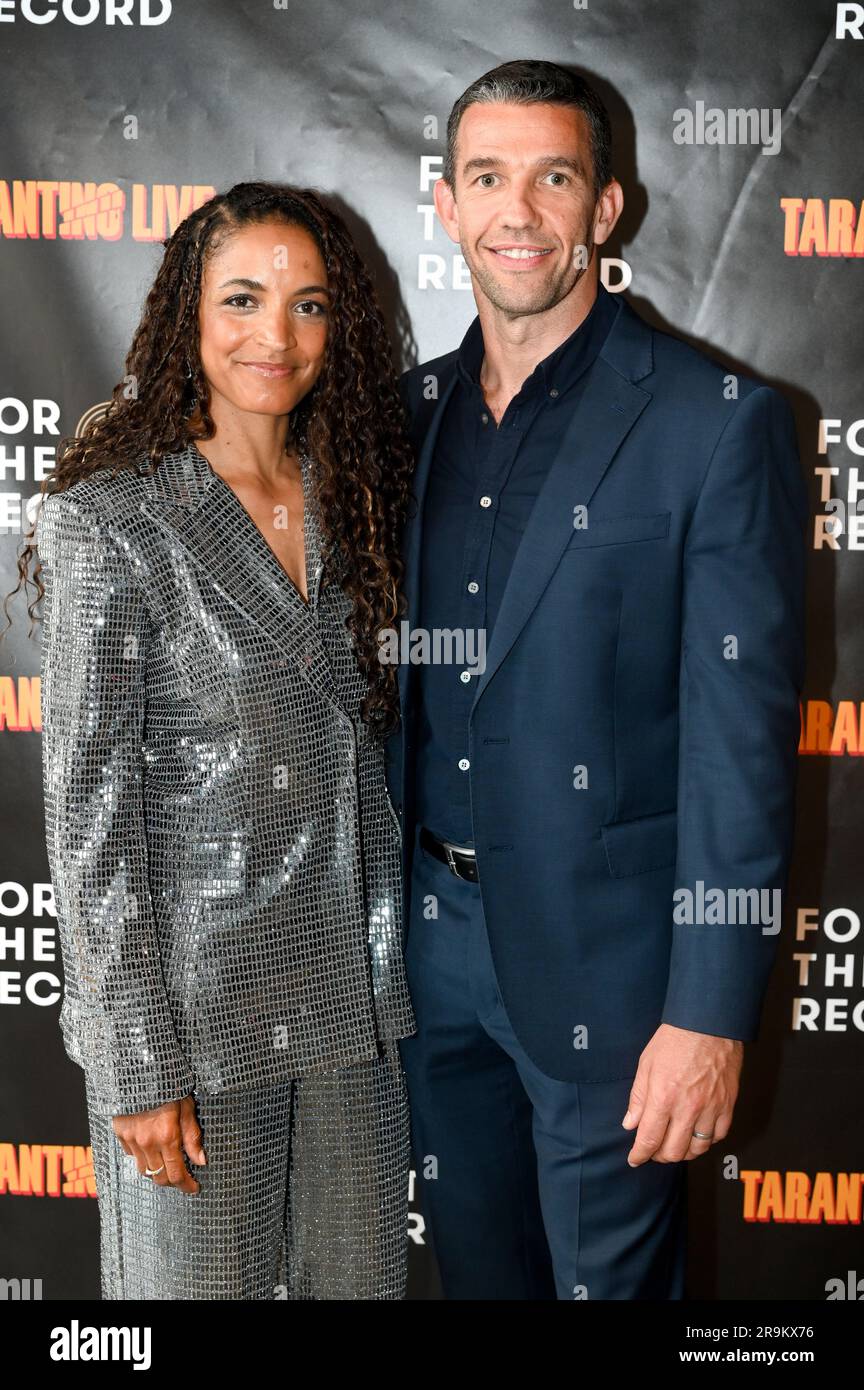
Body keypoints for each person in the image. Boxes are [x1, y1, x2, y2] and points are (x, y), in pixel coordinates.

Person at [388, 60, 808, 1299]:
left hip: (616, 983)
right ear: (448, 204)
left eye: (553, 177)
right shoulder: (405, 415)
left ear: (605, 206)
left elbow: (738, 748)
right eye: (488, 178)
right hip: (429, 956)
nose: (518, 211)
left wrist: (711, 1013)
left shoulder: (714, 420)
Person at [7, 181, 417, 1300]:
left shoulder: (363, 495)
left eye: (309, 305)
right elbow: (90, 821)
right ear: (187, 314)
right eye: (242, 299)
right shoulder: (113, 517)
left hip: (353, 1002)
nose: (274, 337)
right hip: (195, 1022)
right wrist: (137, 1063)